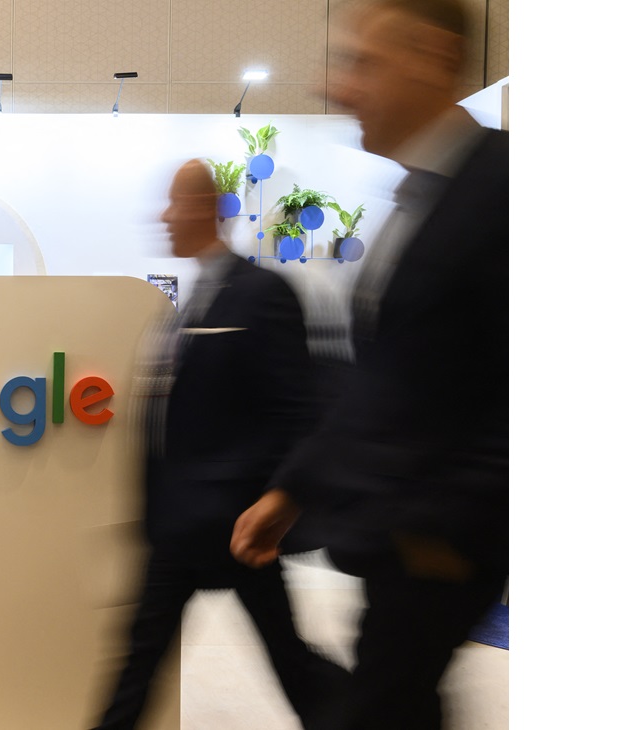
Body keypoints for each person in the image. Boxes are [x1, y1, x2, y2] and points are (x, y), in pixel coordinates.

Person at [230, 1, 509, 727]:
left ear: (433, 57)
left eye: (362, 62)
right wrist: (291, 490)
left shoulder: (508, 191)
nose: (337, 88)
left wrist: (441, 535)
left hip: (436, 551)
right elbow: (381, 381)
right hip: (394, 550)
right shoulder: (415, 202)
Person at [91, 159, 348, 730]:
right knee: (138, 666)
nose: (163, 215)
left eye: (175, 201)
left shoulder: (261, 294)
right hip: (182, 527)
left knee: (291, 665)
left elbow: (297, 411)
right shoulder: (192, 304)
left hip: (235, 526)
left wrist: (279, 502)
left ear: (206, 209)